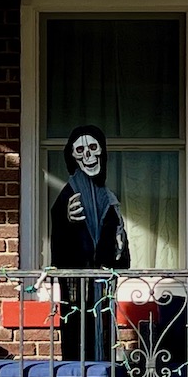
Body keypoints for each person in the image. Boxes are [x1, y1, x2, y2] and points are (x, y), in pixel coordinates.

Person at [50, 125, 130, 361]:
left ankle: (102, 371)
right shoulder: (68, 195)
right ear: (72, 156)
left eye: (93, 148)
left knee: (103, 329)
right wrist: (66, 219)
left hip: (102, 283)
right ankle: (78, 376)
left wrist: (119, 244)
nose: (88, 156)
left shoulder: (108, 197)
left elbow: (117, 238)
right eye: (80, 150)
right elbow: (59, 238)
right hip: (76, 285)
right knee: (77, 327)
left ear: (102, 152)